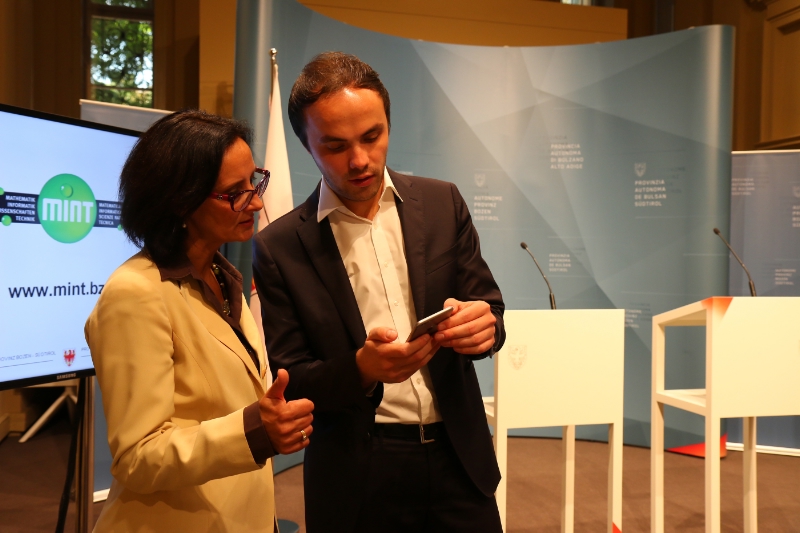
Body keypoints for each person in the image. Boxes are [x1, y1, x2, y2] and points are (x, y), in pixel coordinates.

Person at [252, 52, 505, 532]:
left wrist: (485, 327)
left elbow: (490, 307)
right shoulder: (279, 247)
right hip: (358, 473)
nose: (360, 160)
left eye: (372, 136)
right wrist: (361, 370)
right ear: (306, 146)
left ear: (388, 123)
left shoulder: (442, 202)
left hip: (460, 458)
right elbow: (293, 380)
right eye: (335, 146)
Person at [85, 110, 314, 533]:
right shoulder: (135, 294)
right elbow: (138, 456)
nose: (257, 202)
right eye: (234, 193)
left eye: (254, 182)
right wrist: (253, 432)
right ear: (180, 200)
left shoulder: (222, 277)